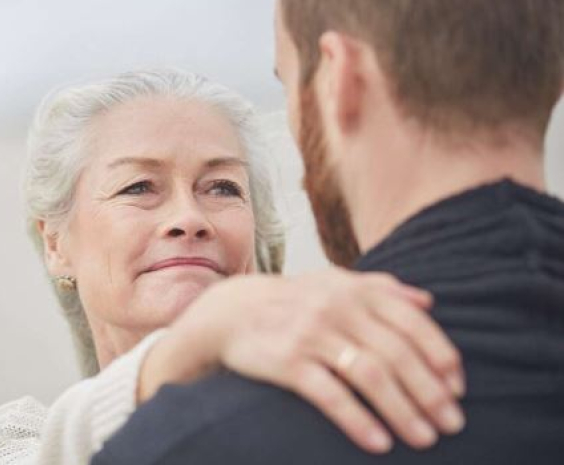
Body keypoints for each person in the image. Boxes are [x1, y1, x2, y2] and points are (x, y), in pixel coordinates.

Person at [92, 1, 564, 464]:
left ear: (340, 80)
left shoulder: (202, 437)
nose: (188, 219)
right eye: (138, 186)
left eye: (290, 84)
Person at [0, 69, 466, 465]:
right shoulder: (11, 442)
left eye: (222, 188)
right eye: (138, 187)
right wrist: (192, 347)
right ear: (56, 242)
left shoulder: (343, 406)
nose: (188, 218)